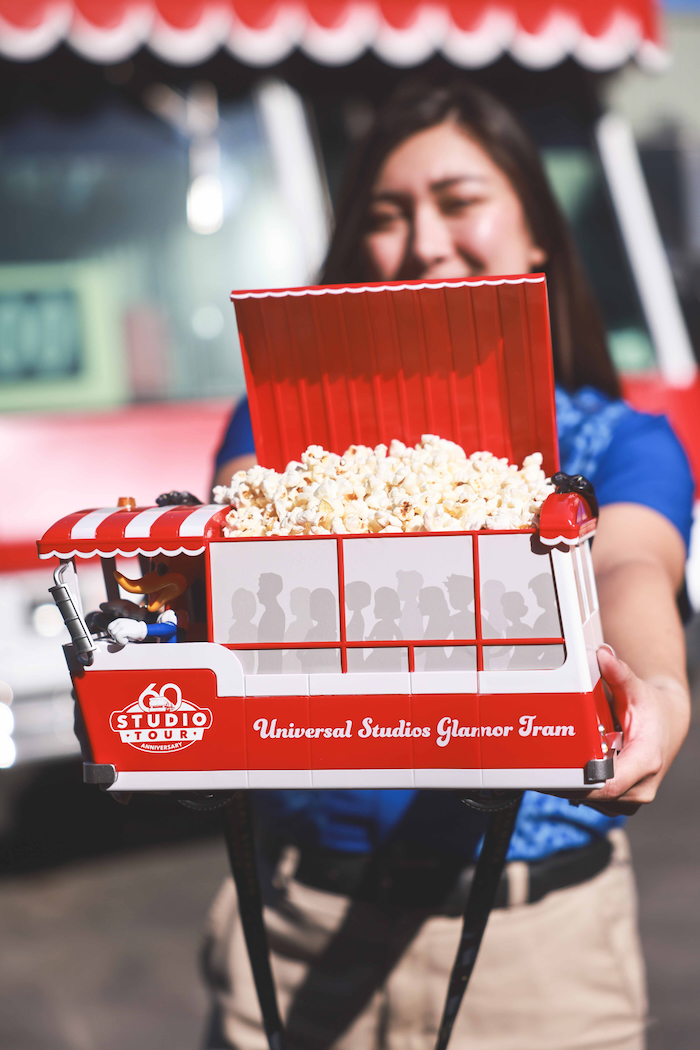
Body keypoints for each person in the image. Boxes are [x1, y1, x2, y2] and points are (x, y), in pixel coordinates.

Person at [204, 81, 693, 1050]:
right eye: (387, 216)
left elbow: (626, 567)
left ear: (537, 229)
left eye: (459, 201)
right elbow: (247, 527)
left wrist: (660, 692)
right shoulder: (281, 427)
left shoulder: (621, 441)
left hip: (539, 952)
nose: (424, 242)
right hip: (300, 928)